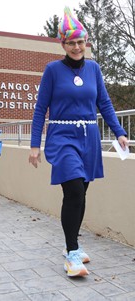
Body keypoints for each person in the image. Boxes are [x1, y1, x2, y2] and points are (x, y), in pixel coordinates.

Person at [29, 7, 128, 277]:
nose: (76, 46)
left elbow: (104, 103)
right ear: (63, 44)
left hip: (89, 138)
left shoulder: (94, 69)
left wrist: (119, 131)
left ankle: (70, 242)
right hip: (62, 137)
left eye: (80, 41)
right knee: (73, 189)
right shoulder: (52, 70)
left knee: (80, 193)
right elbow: (40, 109)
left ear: (86, 43)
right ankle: (72, 252)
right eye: (70, 42)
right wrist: (34, 145)